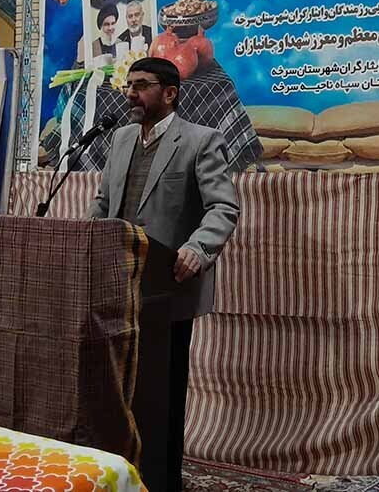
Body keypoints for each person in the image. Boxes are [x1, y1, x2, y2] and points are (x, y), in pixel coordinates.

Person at [88, 57, 239, 492]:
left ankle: (163, 481)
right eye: (129, 85)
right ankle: (120, 475)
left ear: (170, 93)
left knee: (162, 394)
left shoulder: (200, 140)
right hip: (115, 284)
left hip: (167, 287)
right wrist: (86, 239)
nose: (130, 94)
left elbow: (223, 206)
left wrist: (198, 248)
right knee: (117, 391)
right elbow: (104, 203)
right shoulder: (120, 139)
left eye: (141, 85)